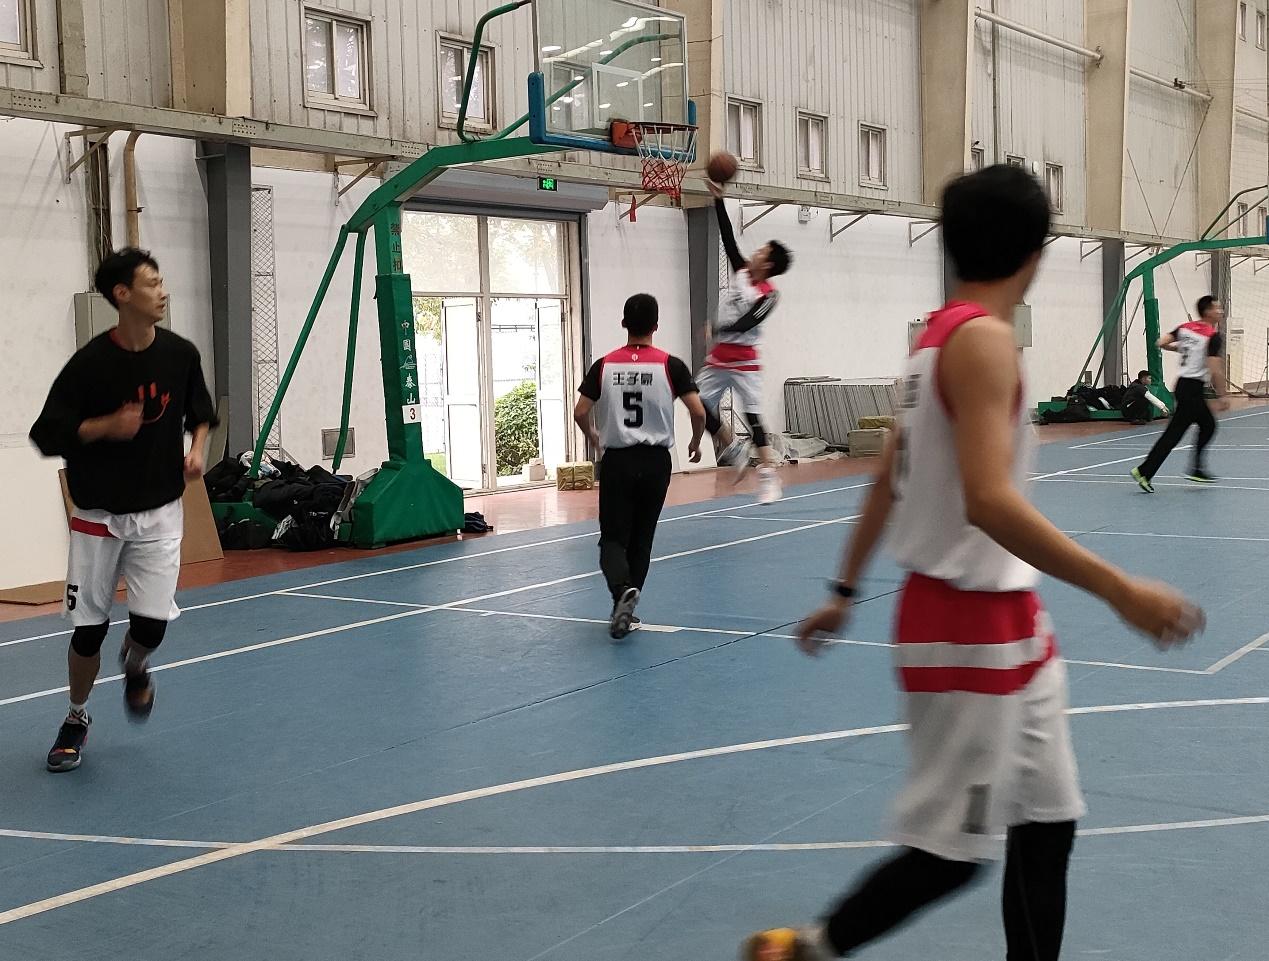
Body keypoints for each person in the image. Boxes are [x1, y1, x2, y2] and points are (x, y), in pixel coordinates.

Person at [741, 166, 1203, 961]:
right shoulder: (983, 343)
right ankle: (805, 949)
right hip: (962, 625)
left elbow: (888, 473)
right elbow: (987, 500)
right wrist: (1119, 588)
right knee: (949, 853)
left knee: (1048, 820)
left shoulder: (931, 341)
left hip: (1009, 621)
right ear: (1035, 251)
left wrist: (844, 589)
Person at [30, 248, 217, 773]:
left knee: (151, 627)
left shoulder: (180, 355)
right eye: (152, 283)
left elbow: (201, 412)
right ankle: (76, 716)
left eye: (162, 282)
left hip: (159, 512)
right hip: (98, 516)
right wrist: (103, 428)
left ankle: (135, 663)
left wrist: (198, 448)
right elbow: (46, 433)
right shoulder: (90, 365)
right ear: (122, 294)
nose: (163, 292)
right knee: (88, 631)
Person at [575, 294, 706, 639]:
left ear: (624, 324)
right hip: (656, 462)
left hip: (618, 460)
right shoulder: (671, 366)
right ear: (656, 326)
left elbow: (580, 411)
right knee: (642, 538)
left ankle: (621, 592)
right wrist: (695, 442)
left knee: (612, 539)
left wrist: (593, 435)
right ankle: (628, 609)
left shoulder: (604, 365)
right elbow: (698, 411)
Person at [696, 181, 792, 505]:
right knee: (697, 404)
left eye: (761, 251)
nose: (755, 252)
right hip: (719, 358)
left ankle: (769, 477)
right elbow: (727, 237)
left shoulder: (769, 295)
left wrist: (717, 327)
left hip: (745, 362)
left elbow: (749, 321)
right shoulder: (740, 271)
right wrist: (718, 200)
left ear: (768, 264)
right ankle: (732, 447)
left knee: (753, 418)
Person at [1131, 296, 1230, 492]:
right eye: (1217, 308)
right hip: (1192, 389)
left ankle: (1155, 470)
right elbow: (1214, 369)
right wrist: (1222, 395)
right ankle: (1147, 471)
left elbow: (1160, 342)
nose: (1220, 312)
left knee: (1206, 426)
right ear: (1207, 311)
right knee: (1178, 433)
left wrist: (1184, 348)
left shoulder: (1185, 328)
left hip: (1183, 386)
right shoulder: (1212, 336)